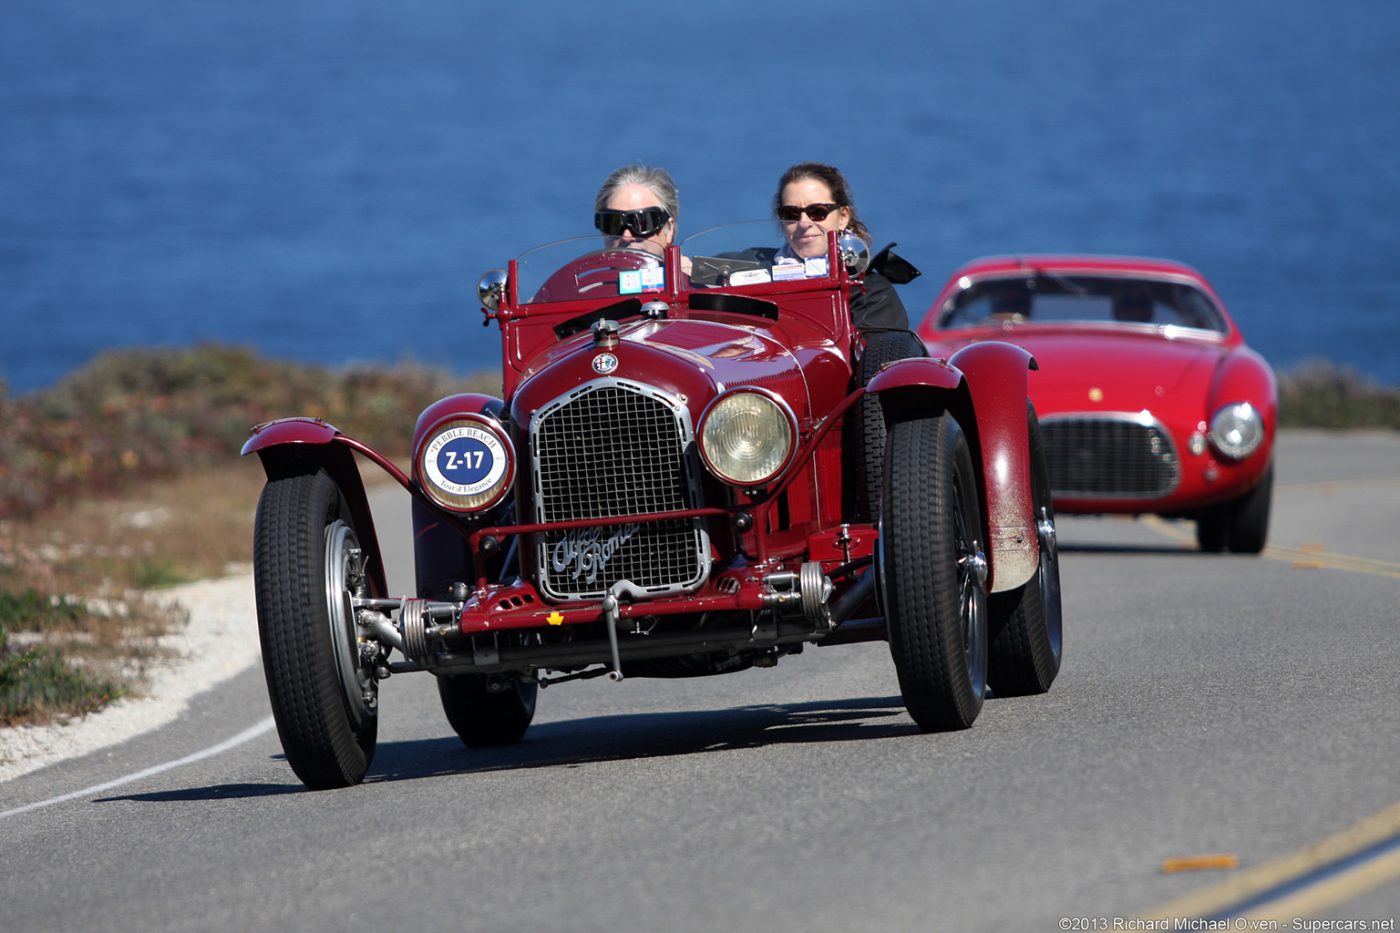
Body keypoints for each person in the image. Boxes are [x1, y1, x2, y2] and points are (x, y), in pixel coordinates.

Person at [771, 161, 919, 331]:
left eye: (817, 212)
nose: (804, 223)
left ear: (842, 217)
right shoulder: (752, 271)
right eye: (791, 214)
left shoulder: (871, 292)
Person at [593, 164, 681, 258]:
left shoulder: (691, 272)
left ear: (669, 230)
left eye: (643, 223)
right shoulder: (579, 271)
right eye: (613, 223)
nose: (626, 237)